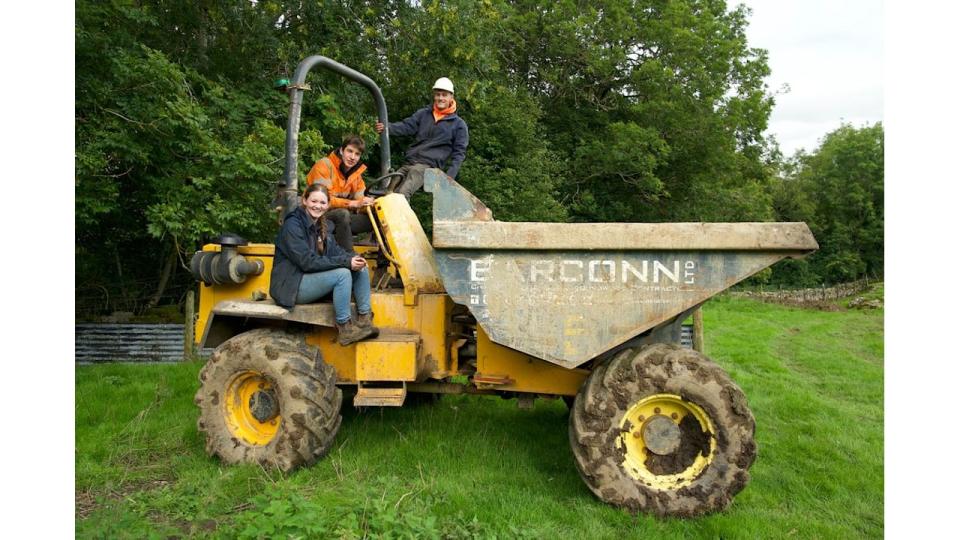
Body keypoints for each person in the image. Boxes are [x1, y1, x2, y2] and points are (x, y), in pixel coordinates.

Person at [269, 183, 378, 345]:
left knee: (360, 268)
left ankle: (364, 321)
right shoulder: (293, 225)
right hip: (291, 285)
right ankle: (344, 328)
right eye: (314, 201)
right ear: (304, 201)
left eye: (322, 203)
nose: (317, 206)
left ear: (327, 205)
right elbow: (306, 262)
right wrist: (346, 262)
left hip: (310, 279)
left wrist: (355, 258)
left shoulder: (321, 226)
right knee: (343, 274)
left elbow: (336, 252)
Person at [374, 77, 469, 199]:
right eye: (438, 95)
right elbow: (406, 126)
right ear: (434, 96)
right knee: (388, 193)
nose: (440, 98)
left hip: (428, 167)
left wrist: (449, 178)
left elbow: (459, 154)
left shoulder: (458, 125)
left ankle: (402, 217)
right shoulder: (424, 114)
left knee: (402, 194)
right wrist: (387, 127)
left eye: (444, 95)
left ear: (451, 97)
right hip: (411, 162)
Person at [305, 135, 375, 252]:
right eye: (350, 151)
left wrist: (372, 204)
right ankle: (349, 257)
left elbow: (361, 200)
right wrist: (353, 203)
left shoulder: (356, 177)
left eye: (357, 154)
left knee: (377, 218)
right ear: (342, 151)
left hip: (340, 221)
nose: (352, 157)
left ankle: (381, 253)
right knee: (342, 214)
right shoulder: (325, 165)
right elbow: (323, 201)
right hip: (317, 217)